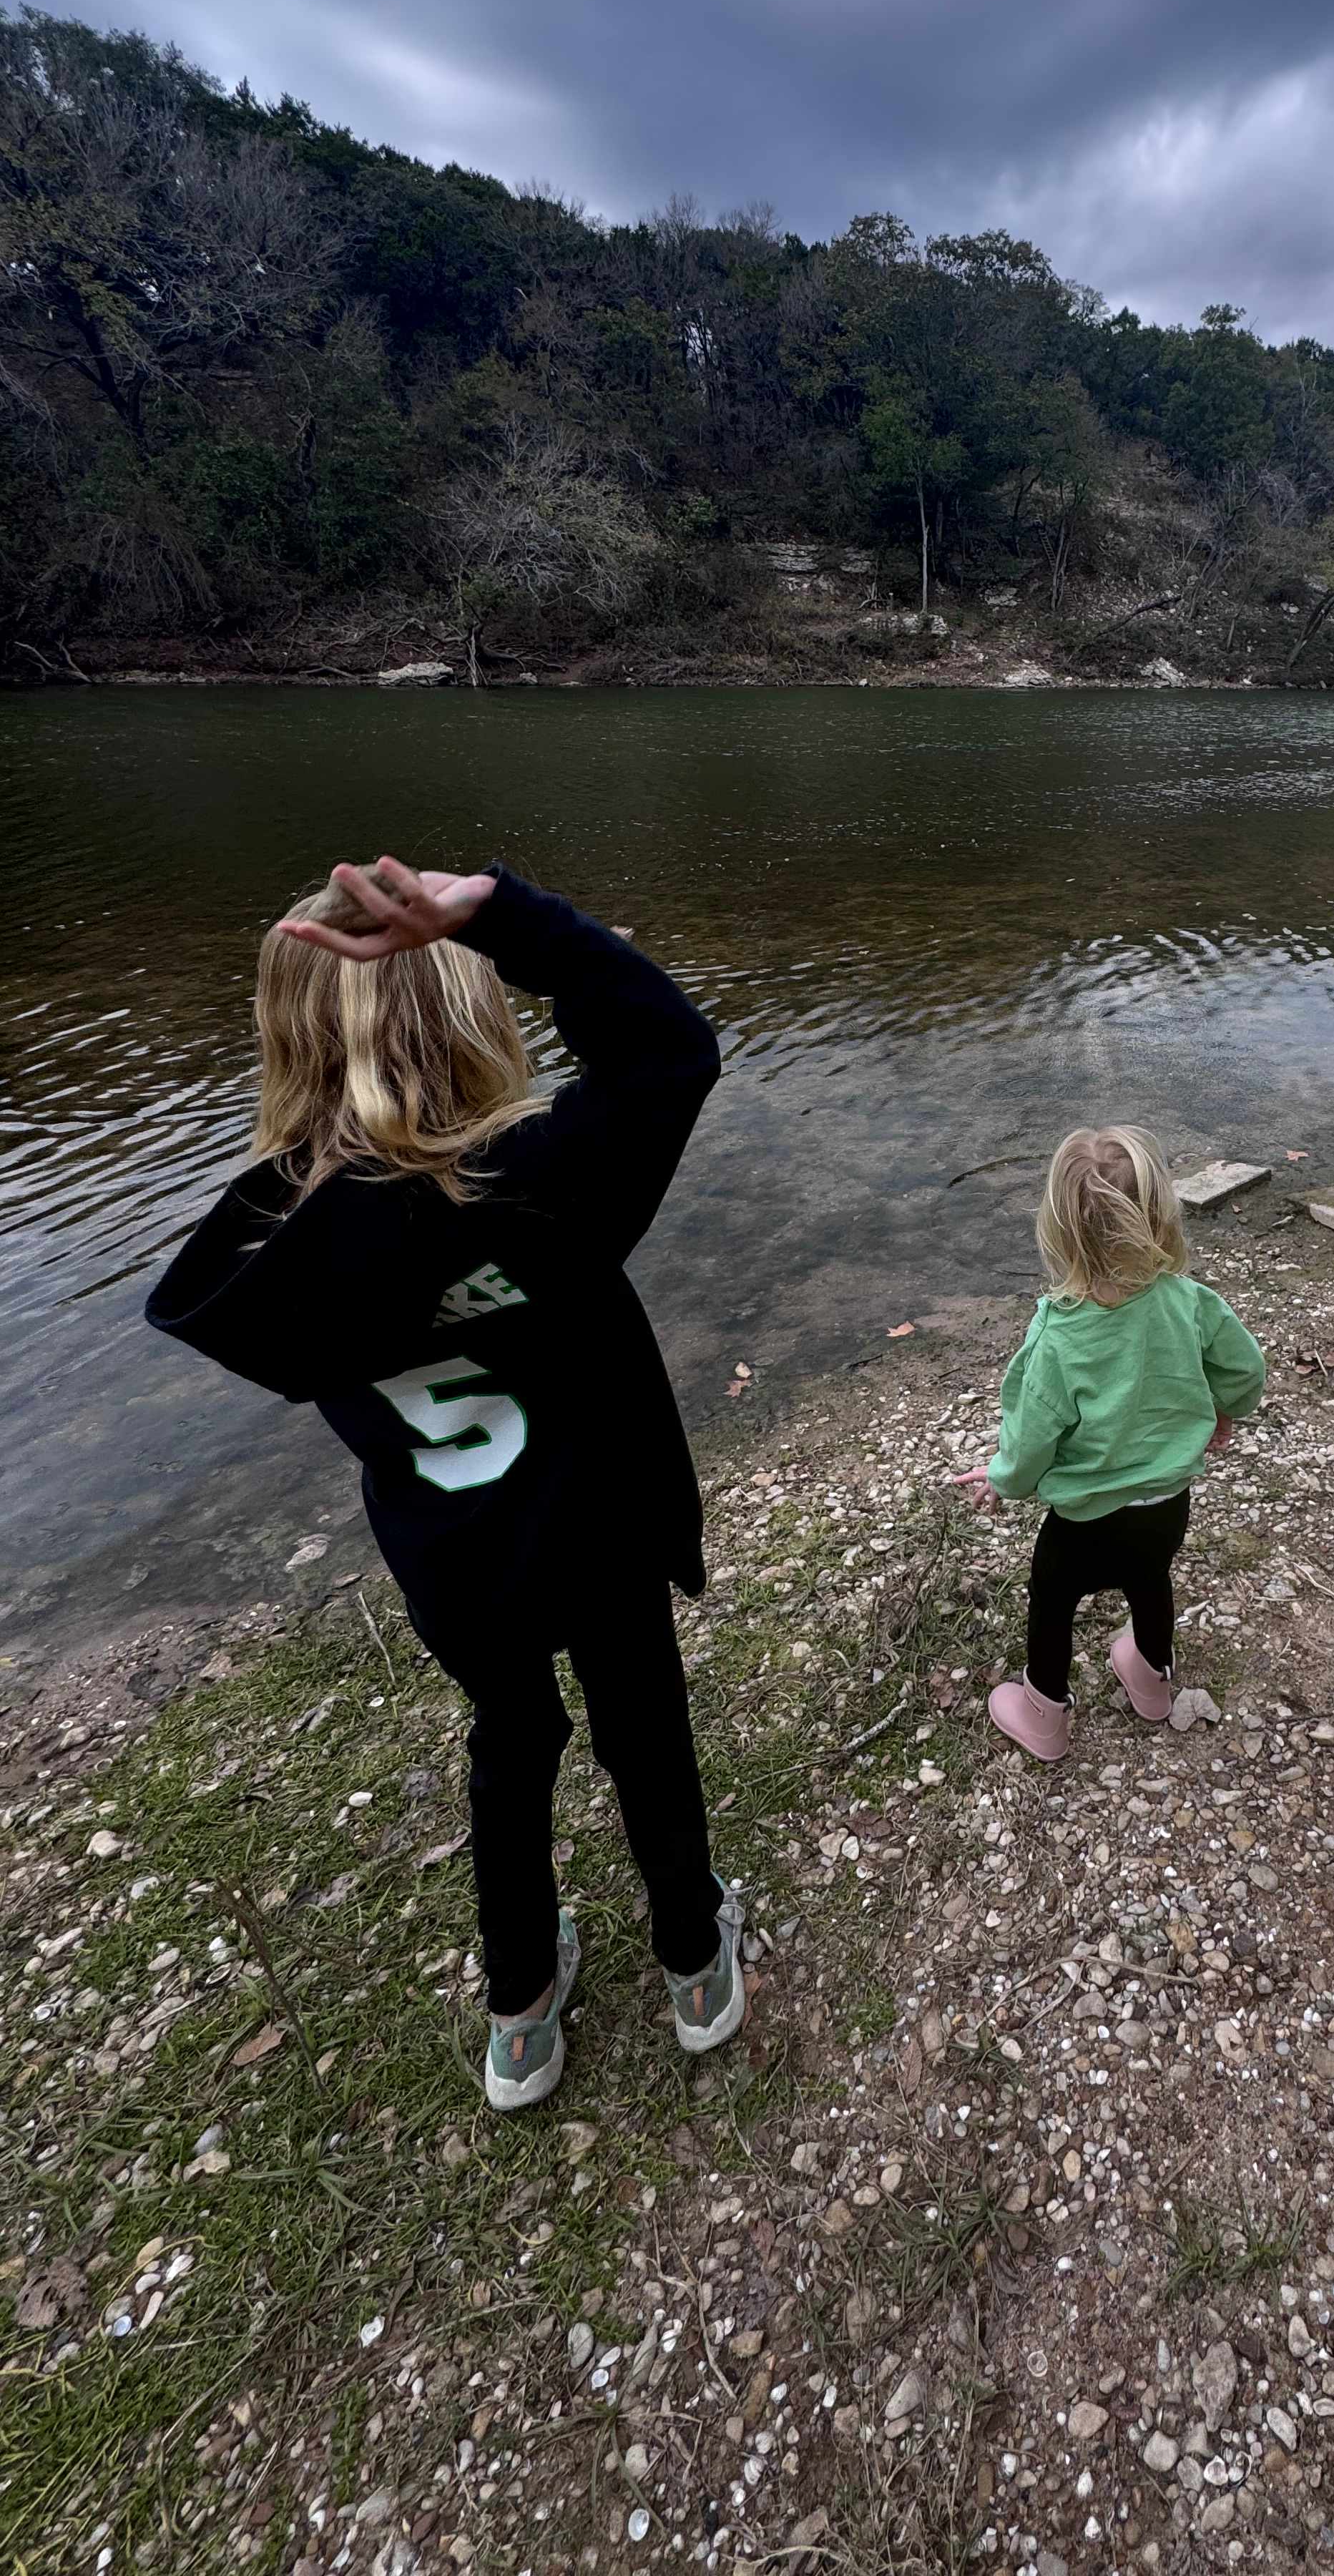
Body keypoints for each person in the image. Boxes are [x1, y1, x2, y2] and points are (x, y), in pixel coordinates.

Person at [146, 856, 741, 2113]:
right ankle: (692, 1958)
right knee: (643, 1727)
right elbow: (667, 1049)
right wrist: (507, 914)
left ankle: (521, 2011)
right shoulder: (534, 1189)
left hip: (458, 1565)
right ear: (472, 1018)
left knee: (510, 1744)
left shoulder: (278, 1265)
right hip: (602, 1536)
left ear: (288, 1036)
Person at [955, 1127, 1267, 1764]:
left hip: (1082, 1522)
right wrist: (1223, 1410)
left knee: (1052, 1601)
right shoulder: (1190, 1302)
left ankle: (1044, 1716)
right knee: (1151, 1579)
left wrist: (1001, 1479)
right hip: (1167, 1505)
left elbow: (1031, 1436)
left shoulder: (1058, 1337)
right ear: (1160, 1215)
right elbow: (1246, 1370)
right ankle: (1153, 1685)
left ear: (1059, 1231)